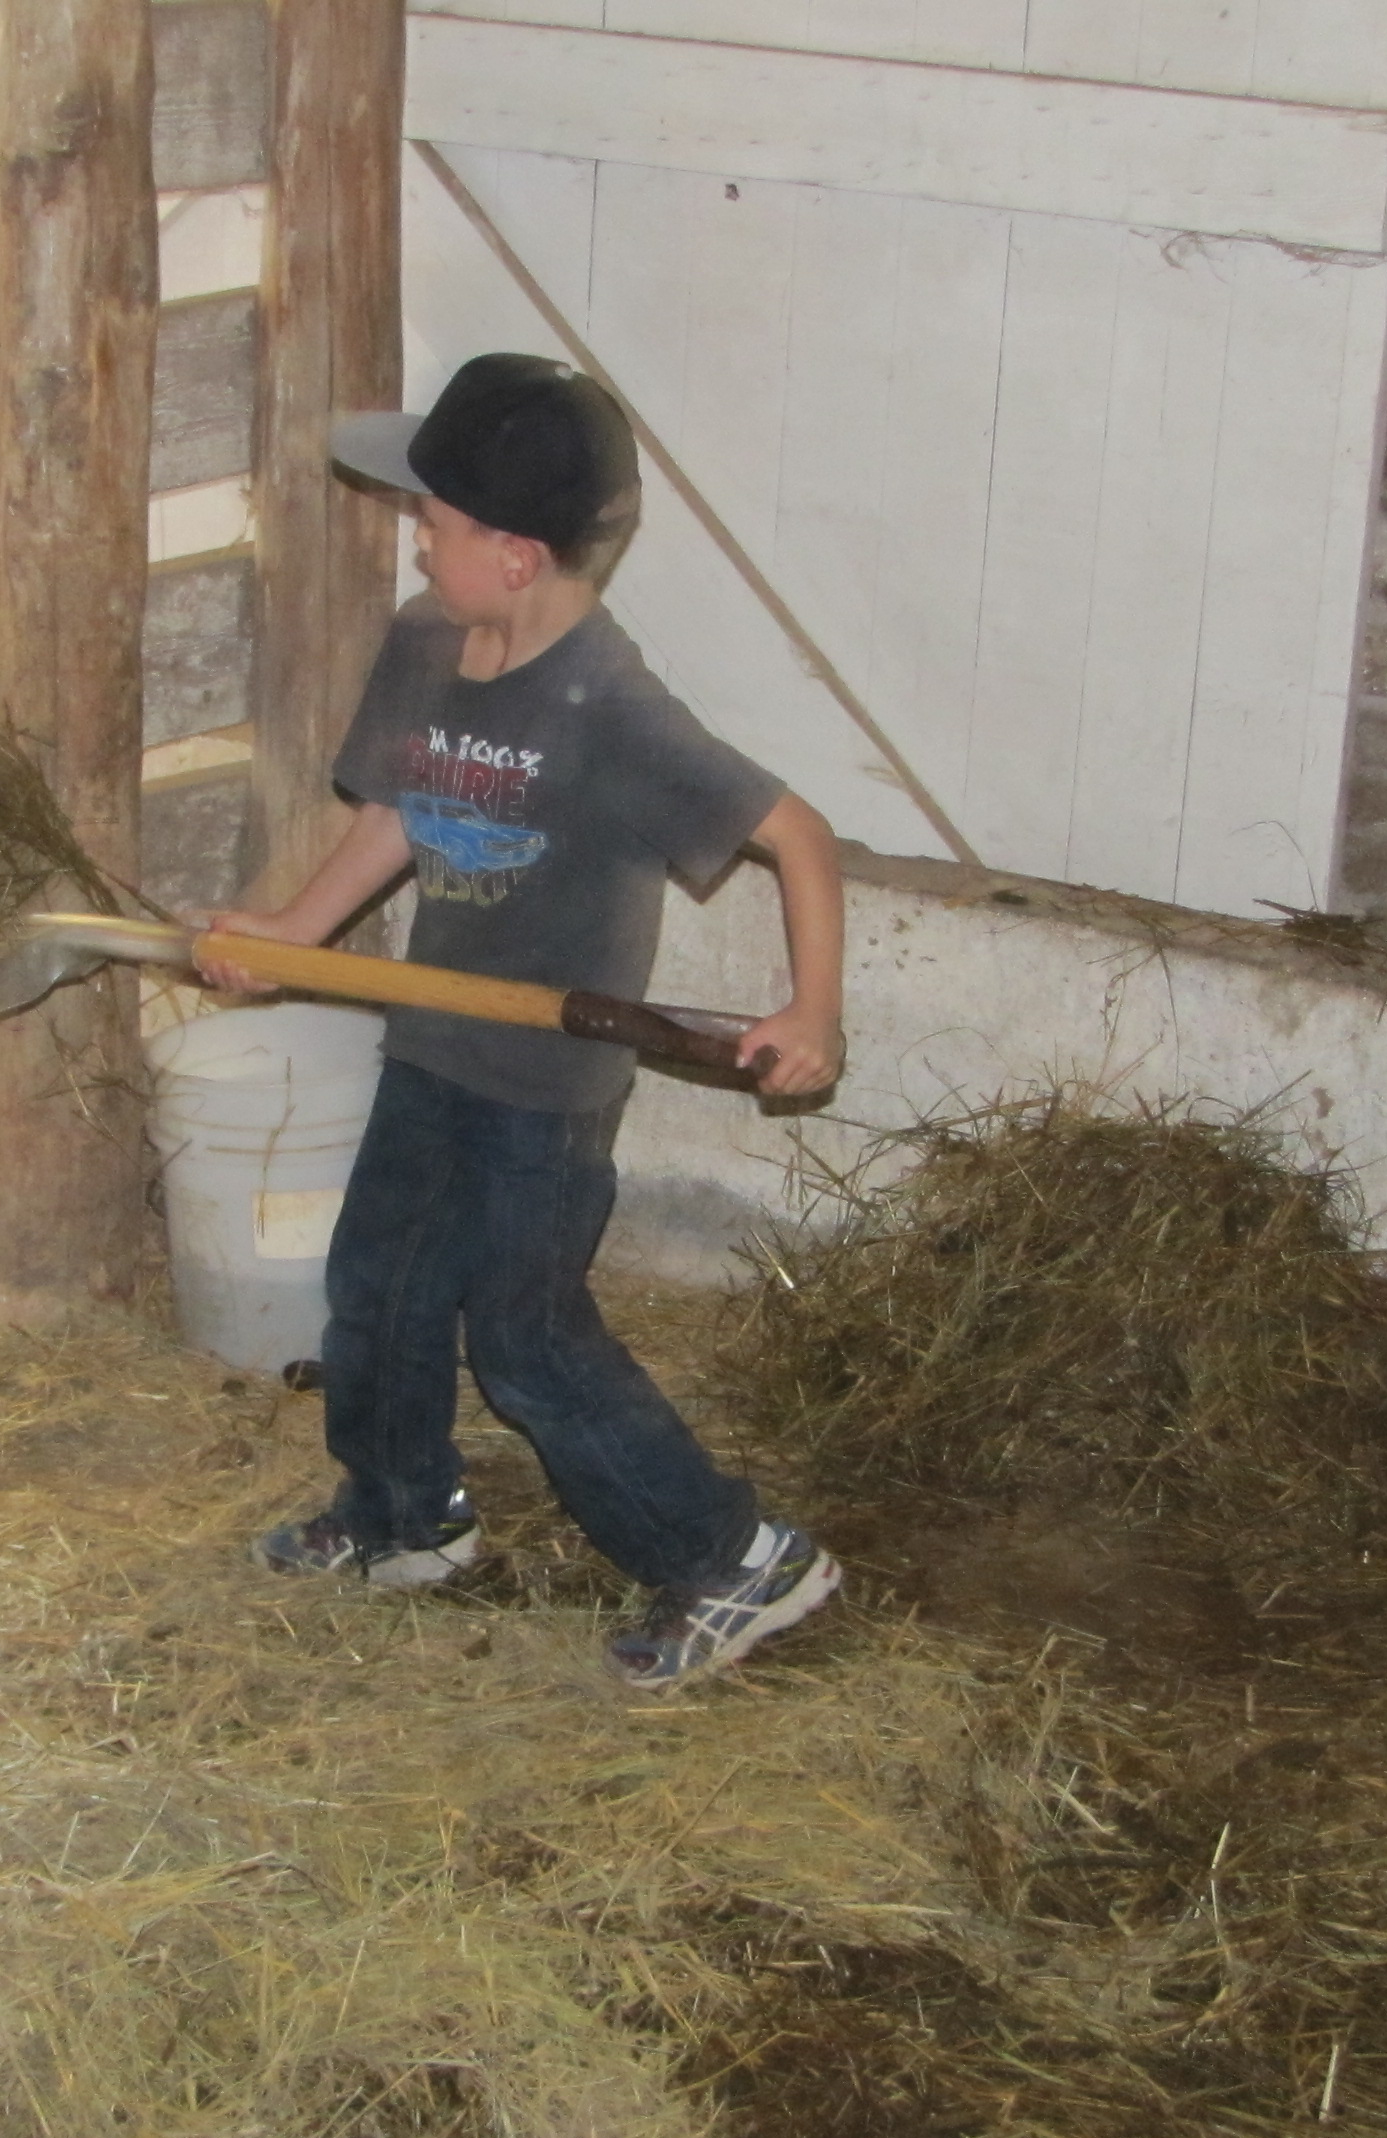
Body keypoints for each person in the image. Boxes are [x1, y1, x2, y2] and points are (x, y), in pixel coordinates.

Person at [199, 351, 848, 1690]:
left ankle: (739, 1559)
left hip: (547, 1091)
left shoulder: (607, 709)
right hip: (433, 1041)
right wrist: (295, 932)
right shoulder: (430, 640)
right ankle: (398, 1520)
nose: (413, 534)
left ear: (516, 554)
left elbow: (798, 834)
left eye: (431, 519)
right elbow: (400, 804)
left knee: (526, 1339)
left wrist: (815, 1009)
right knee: (376, 1285)